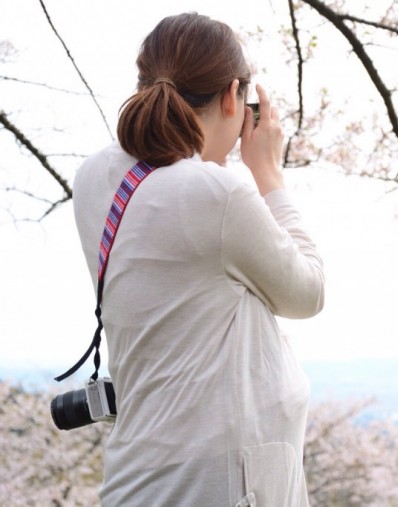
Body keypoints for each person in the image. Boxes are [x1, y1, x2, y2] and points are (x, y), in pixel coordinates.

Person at [71, 12, 324, 506]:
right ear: (233, 96)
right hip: (223, 477)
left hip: (139, 465)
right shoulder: (216, 192)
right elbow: (308, 292)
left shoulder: (94, 176)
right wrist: (268, 174)